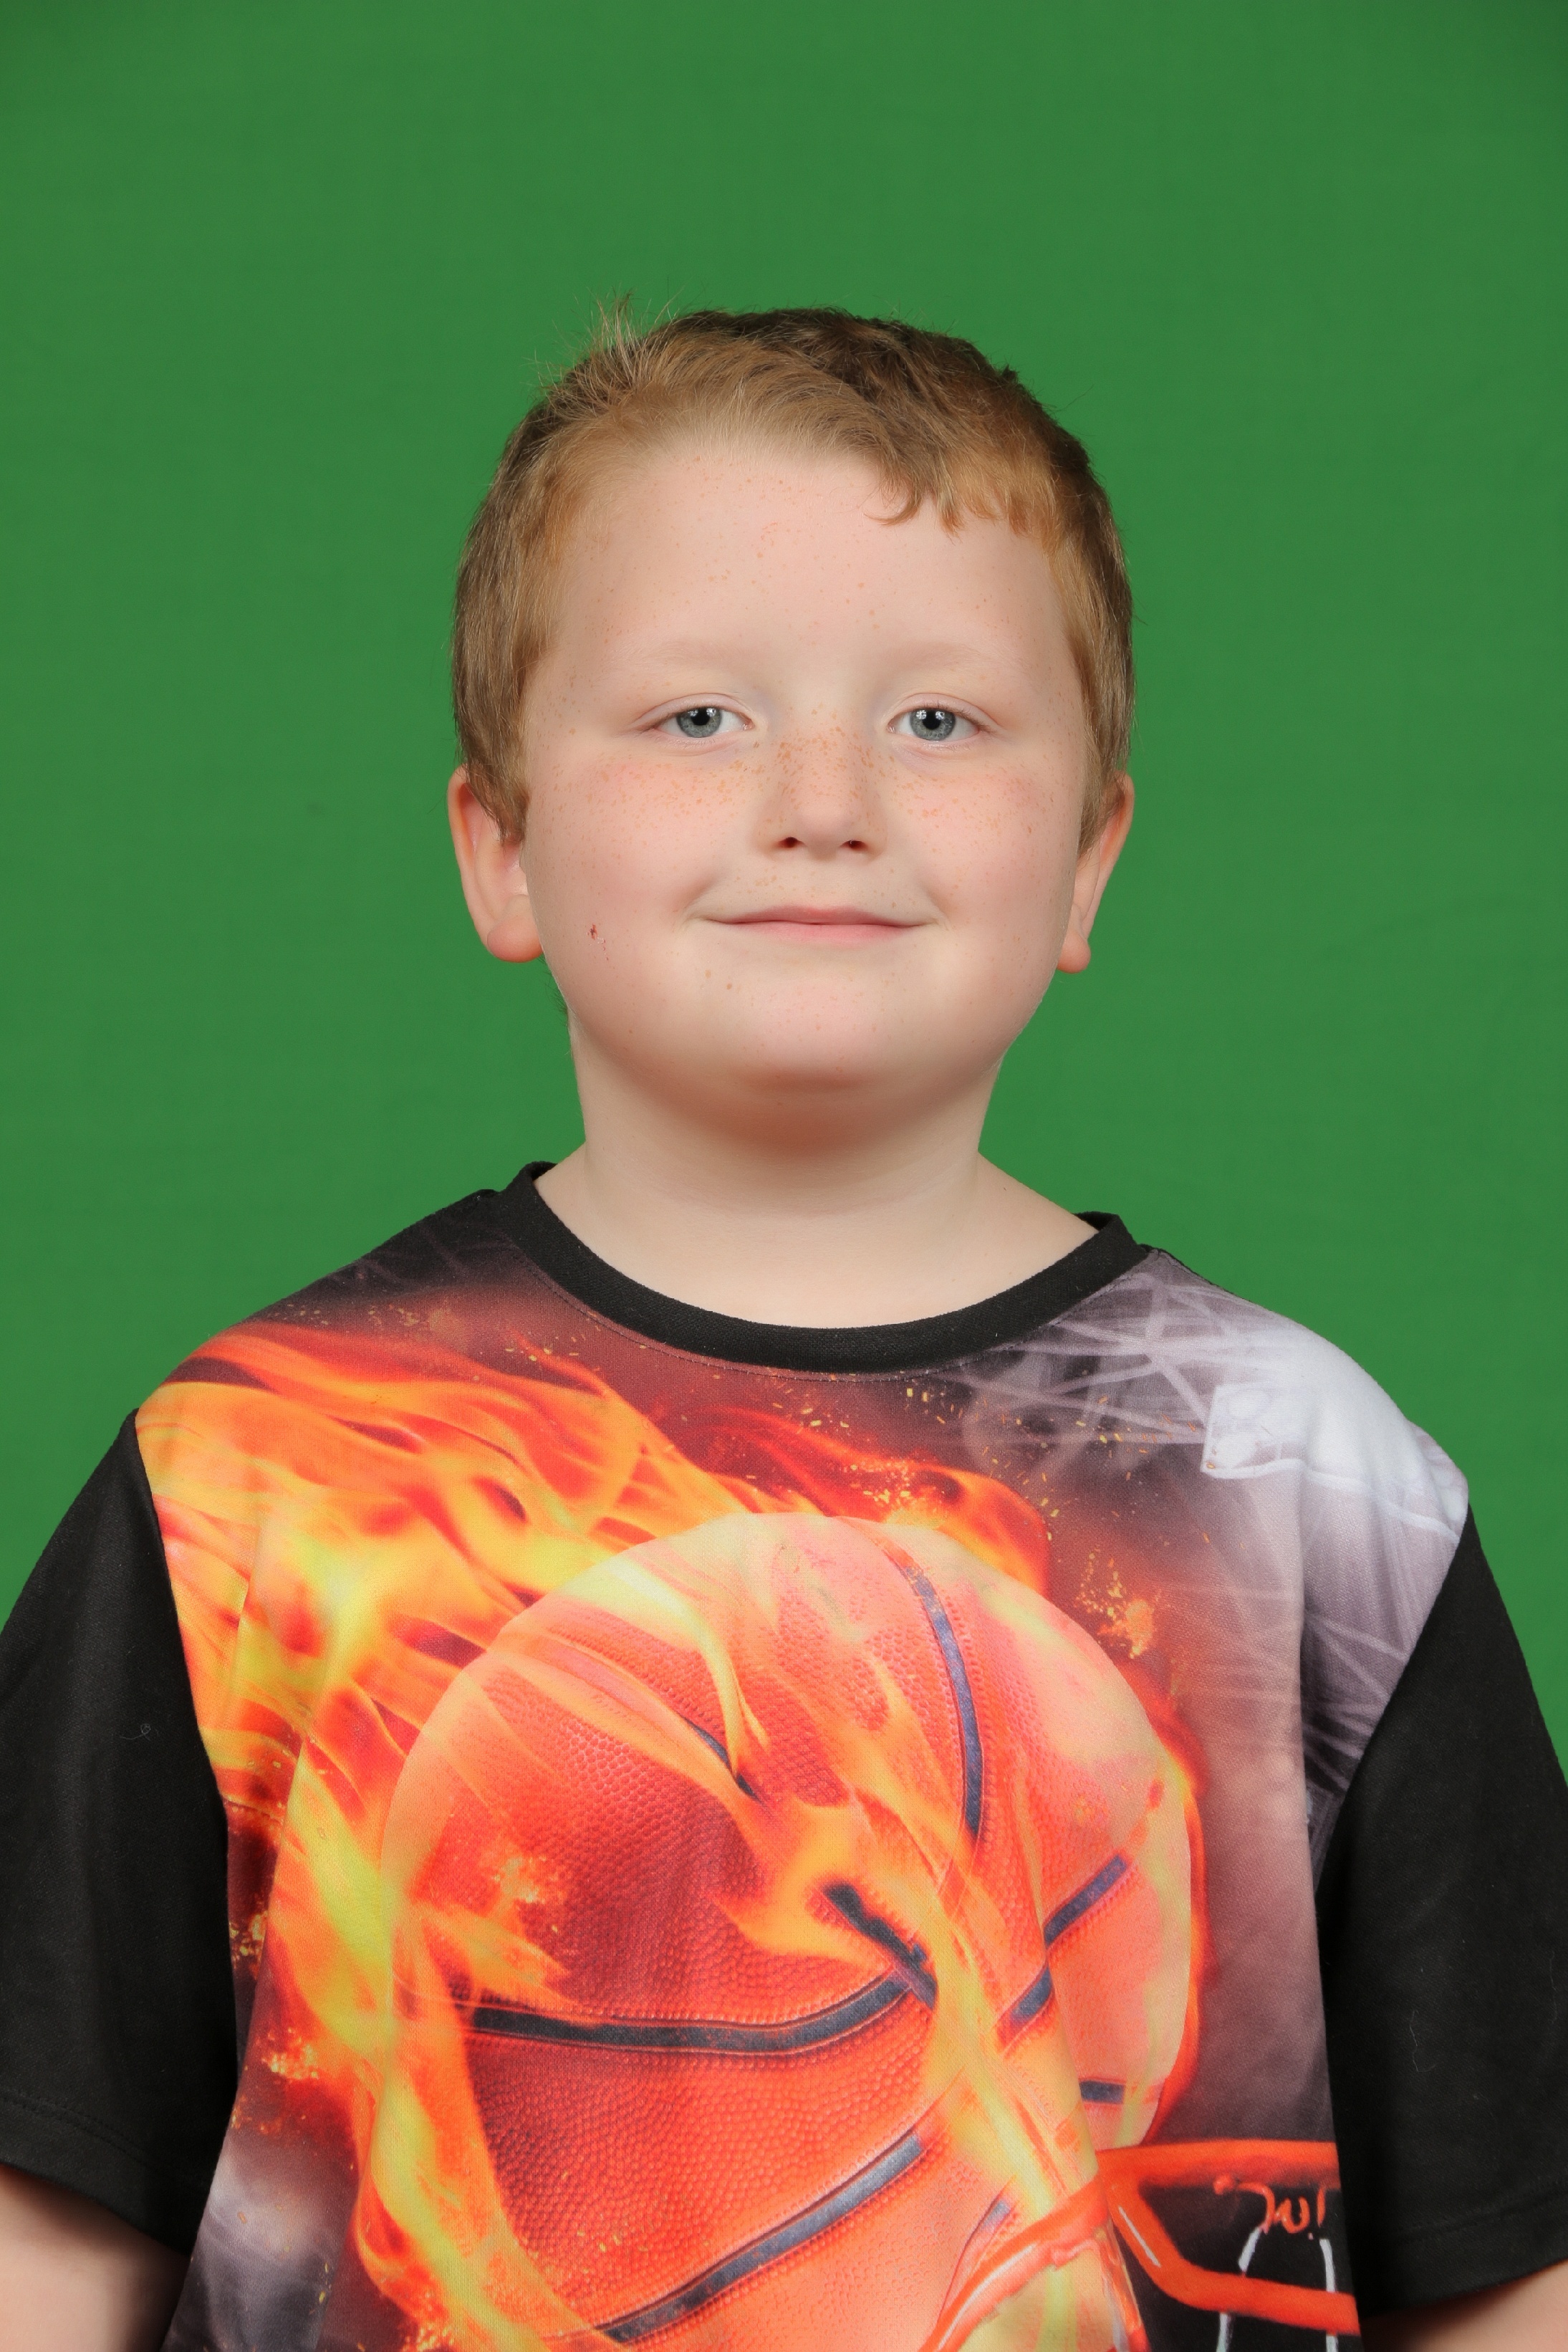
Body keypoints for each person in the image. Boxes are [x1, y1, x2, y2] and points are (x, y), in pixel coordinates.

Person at [0, 309, 1564, 2352]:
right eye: (698, 716)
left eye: (939, 720)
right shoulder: (258, 1475)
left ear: (1087, 860)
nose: (824, 798)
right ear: (502, 848)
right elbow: (48, 2232)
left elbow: (1512, 2268)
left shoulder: (1317, 1493)